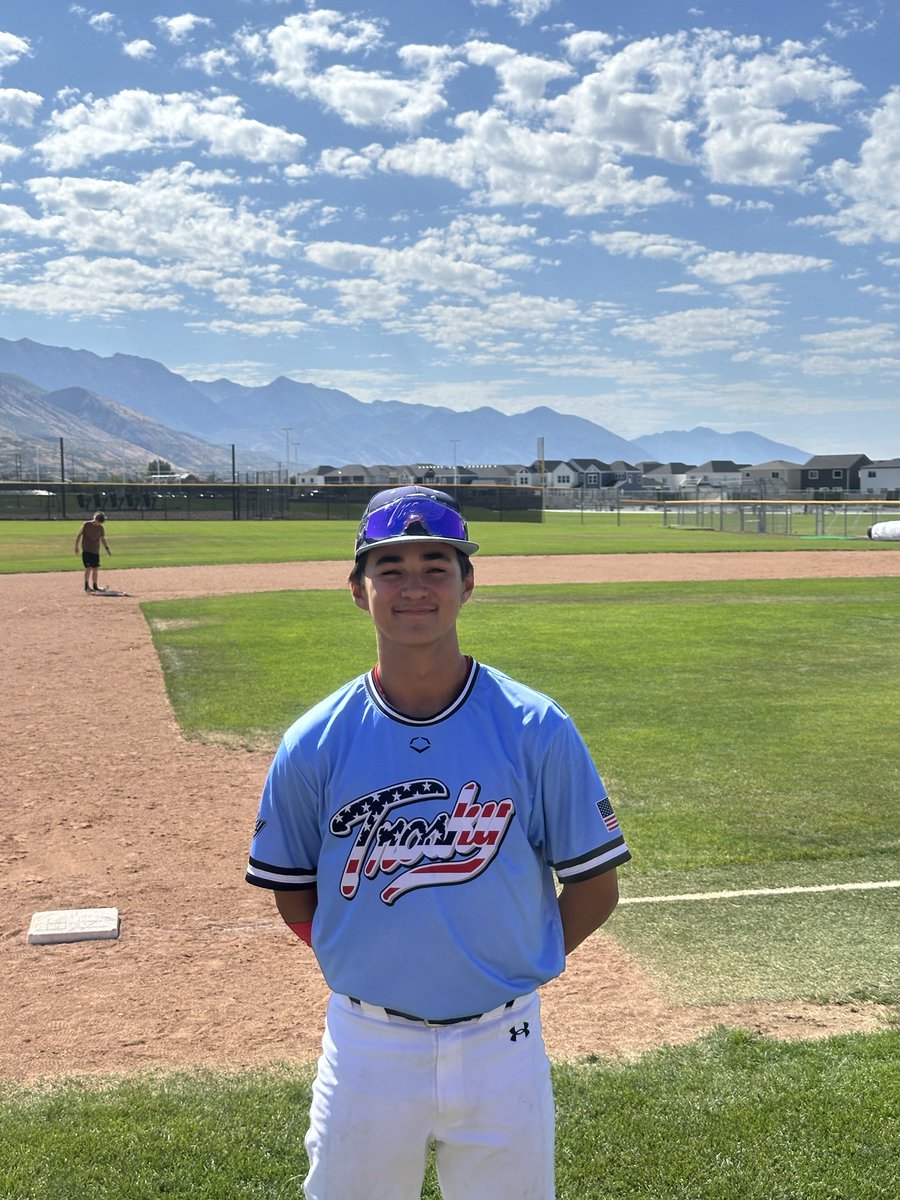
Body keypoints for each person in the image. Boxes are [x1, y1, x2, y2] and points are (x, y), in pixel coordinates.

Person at [245, 485, 631, 1200]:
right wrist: (367, 957)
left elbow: (595, 886)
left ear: (468, 584)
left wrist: (512, 961)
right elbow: (293, 888)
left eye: (435, 566)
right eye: (390, 569)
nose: (413, 587)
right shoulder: (315, 742)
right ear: (358, 591)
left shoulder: (536, 728)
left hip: (502, 1044)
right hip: (367, 1046)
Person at [74, 511, 111, 592]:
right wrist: (76, 546)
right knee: (89, 567)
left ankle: (95, 586)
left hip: (95, 550)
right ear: (95, 519)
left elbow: (102, 538)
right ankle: (86, 586)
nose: (100, 523)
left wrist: (107, 549)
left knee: (95, 568)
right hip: (87, 550)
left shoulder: (101, 528)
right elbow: (79, 535)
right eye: (99, 521)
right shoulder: (86, 525)